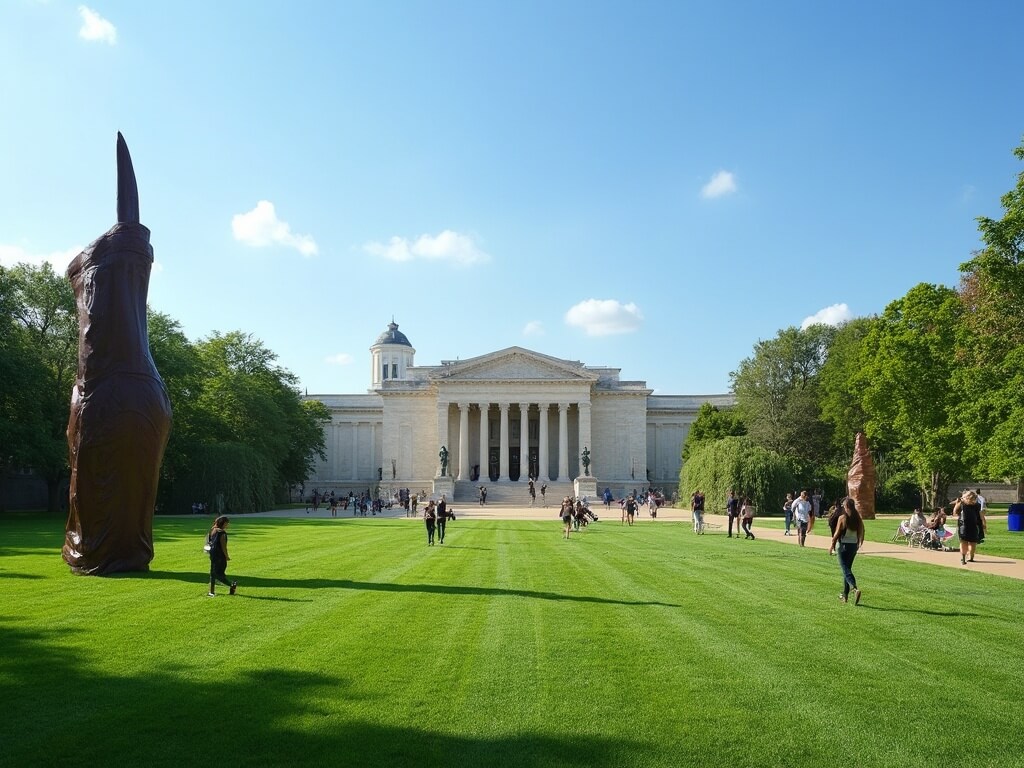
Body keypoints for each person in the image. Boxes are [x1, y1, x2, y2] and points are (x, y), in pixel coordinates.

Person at [829, 497, 865, 604]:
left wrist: (832, 545)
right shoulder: (858, 518)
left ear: (846, 506)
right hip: (853, 546)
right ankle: (845, 595)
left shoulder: (842, 518)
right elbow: (862, 532)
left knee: (845, 569)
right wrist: (859, 543)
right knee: (847, 569)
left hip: (843, 546)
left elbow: (836, 534)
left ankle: (854, 588)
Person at [953, 489, 987, 565]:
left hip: (963, 526)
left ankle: (963, 558)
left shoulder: (961, 504)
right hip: (973, 525)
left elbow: (955, 512)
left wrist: (957, 504)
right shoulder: (977, 505)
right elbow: (981, 516)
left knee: (963, 542)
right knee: (972, 542)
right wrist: (984, 524)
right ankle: (971, 557)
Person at [206, 515, 236, 597]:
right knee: (218, 575)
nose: (228, 525)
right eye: (227, 523)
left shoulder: (212, 530)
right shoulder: (222, 533)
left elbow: (208, 541)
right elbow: (223, 546)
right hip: (219, 555)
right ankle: (232, 585)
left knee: (213, 574)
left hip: (213, 554)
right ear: (223, 523)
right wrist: (227, 556)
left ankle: (211, 592)